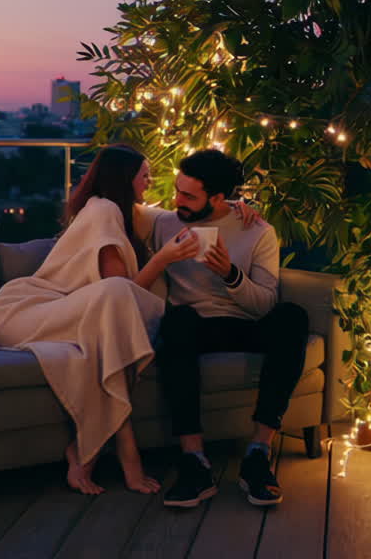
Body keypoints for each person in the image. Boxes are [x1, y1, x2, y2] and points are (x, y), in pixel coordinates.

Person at [0, 144, 201, 495]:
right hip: (23, 312)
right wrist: (162, 259)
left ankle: (86, 449)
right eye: (145, 175)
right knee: (118, 303)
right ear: (124, 178)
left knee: (112, 333)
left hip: (73, 310)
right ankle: (124, 454)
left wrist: (235, 208)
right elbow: (121, 289)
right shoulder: (102, 211)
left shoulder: (123, 212)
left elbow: (170, 216)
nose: (150, 181)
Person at [152, 149, 310, 508]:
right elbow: (125, 209)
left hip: (244, 324)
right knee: (176, 320)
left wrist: (230, 274)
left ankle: (258, 453)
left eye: (188, 196)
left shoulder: (258, 231)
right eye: (177, 191)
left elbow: (265, 304)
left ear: (219, 198)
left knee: (292, 317)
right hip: (195, 327)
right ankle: (194, 460)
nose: (178, 201)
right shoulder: (165, 222)